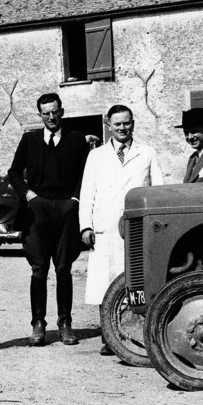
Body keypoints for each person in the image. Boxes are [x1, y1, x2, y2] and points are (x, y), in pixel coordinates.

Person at [79, 104, 163, 354]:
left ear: (133, 124)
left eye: (126, 123)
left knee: (135, 281)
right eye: (117, 124)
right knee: (105, 284)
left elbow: (157, 189)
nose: (122, 128)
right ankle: (109, 336)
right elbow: (87, 194)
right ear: (108, 126)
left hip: (136, 229)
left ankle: (135, 334)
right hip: (105, 229)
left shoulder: (146, 152)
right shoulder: (96, 156)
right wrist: (86, 226)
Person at [7, 93, 90, 347]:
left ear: (62, 112)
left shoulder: (76, 140)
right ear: (40, 115)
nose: (51, 117)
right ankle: (38, 324)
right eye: (46, 113)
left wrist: (75, 200)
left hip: (66, 210)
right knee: (39, 269)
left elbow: (86, 174)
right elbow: (13, 173)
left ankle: (65, 323)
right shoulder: (30, 139)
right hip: (38, 211)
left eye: (55, 112)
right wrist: (29, 195)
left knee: (64, 269)